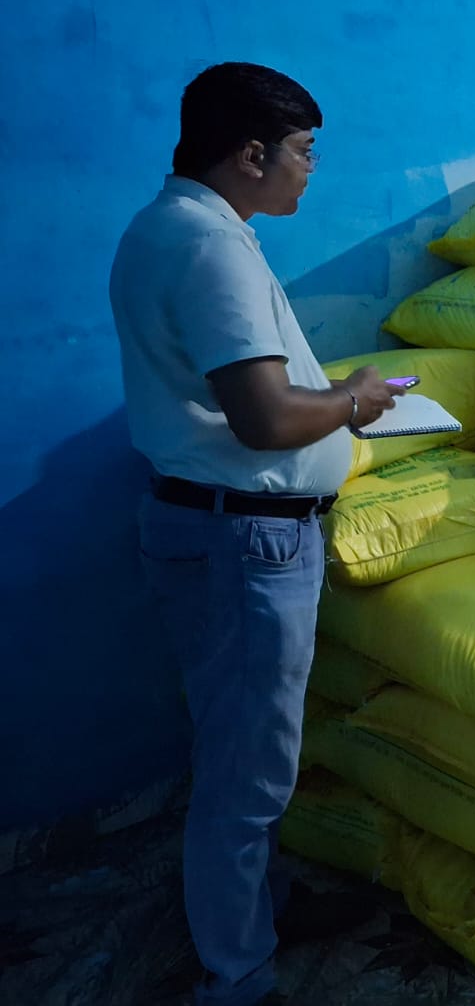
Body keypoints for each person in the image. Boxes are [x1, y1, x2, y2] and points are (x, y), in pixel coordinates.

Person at [109, 62, 399, 1005]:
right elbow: (266, 418)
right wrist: (351, 401)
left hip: (215, 528)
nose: (311, 168)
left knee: (240, 746)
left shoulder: (169, 226)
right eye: (304, 150)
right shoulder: (210, 247)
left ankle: (258, 912)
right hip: (245, 541)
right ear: (250, 153)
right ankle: (239, 977)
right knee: (248, 771)